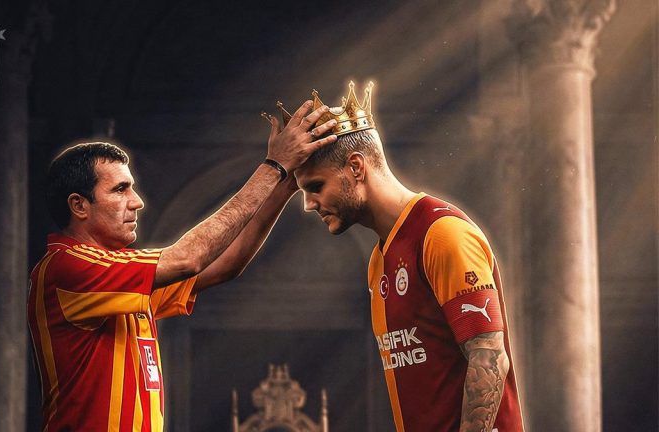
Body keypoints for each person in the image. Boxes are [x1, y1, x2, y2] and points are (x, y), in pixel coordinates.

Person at [27, 100, 338, 432]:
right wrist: (274, 166)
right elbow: (190, 258)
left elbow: (225, 263)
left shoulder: (120, 278)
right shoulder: (67, 268)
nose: (137, 201)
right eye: (120, 190)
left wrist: (285, 184)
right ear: (79, 206)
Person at [288, 82, 524, 432]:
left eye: (315, 187)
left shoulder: (442, 234)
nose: (309, 205)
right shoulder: (379, 260)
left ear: (356, 167)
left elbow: (489, 357)